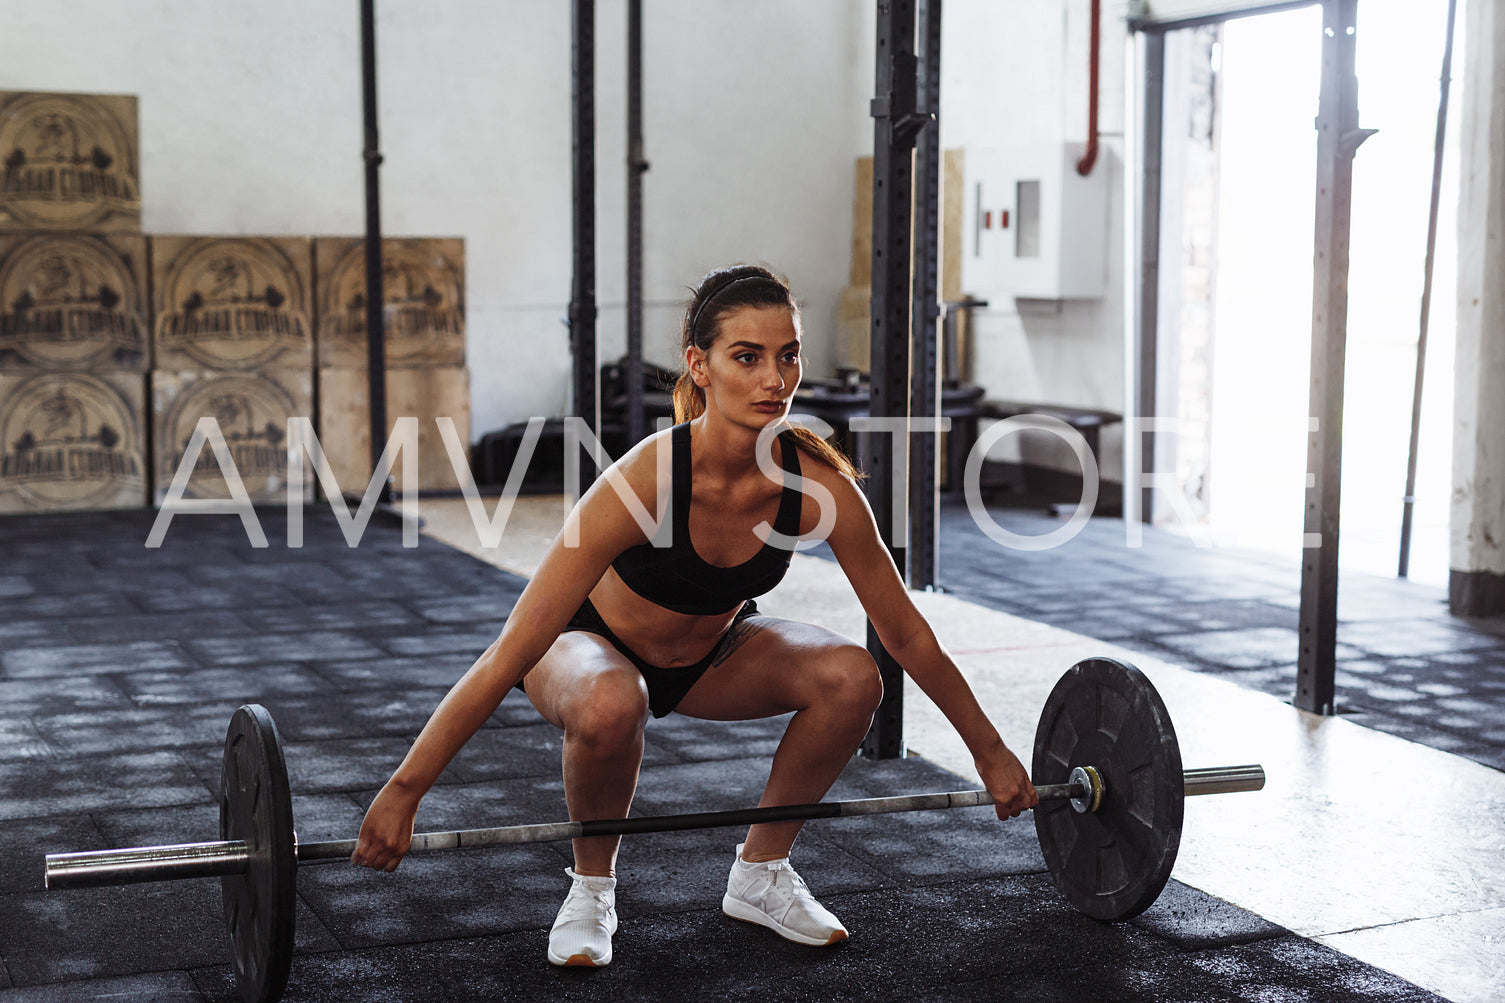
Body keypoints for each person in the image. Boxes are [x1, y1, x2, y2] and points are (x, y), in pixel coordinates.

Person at [351, 264, 1038, 967]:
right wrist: (404, 791)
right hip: (585, 651)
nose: (775, 378)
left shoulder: (814, 484)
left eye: (788, 354)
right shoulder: (643, 480)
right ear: (698, 366)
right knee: (616, 699)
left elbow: (904, 631)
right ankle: (591, 886)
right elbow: (510, 650)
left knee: (851, 674)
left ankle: (761, 872)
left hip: (710, 657)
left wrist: (988, 750)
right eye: (747, 357)